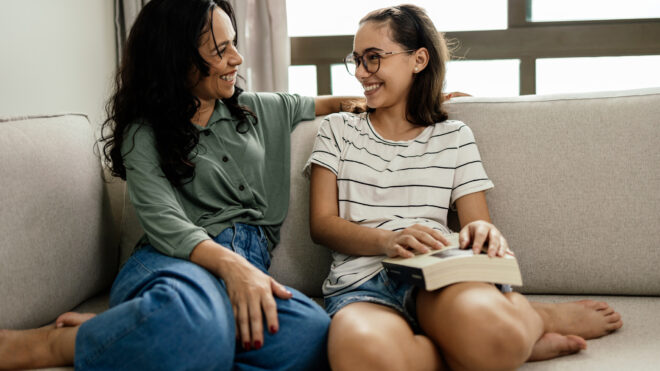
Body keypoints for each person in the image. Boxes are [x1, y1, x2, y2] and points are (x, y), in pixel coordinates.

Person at [0, 0, 352, 369]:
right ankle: (59, 344)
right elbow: (164, 219)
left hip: (245, 268)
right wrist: (231, 267)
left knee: (313, 337)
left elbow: (323, 104)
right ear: (176, 59)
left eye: (233, 43)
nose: (238, 59)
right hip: (173, 263)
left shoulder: (254, 110)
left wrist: (371, 102)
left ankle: (137, 330)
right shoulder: (143, 132)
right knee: (200, 325)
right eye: (221, 50)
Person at [307, 5, 623, 370]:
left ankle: (536, 319)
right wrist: (387, 241)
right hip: (360, 285)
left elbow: (478, 224)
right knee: (359, 359)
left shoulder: (454, 136)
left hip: (438, 274)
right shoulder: (337, 130)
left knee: (494, 339)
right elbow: (322, 224)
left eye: (374, 58)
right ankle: (475, 346)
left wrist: (485, 233)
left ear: (419, 59)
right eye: (357, 59)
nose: (362, 72)